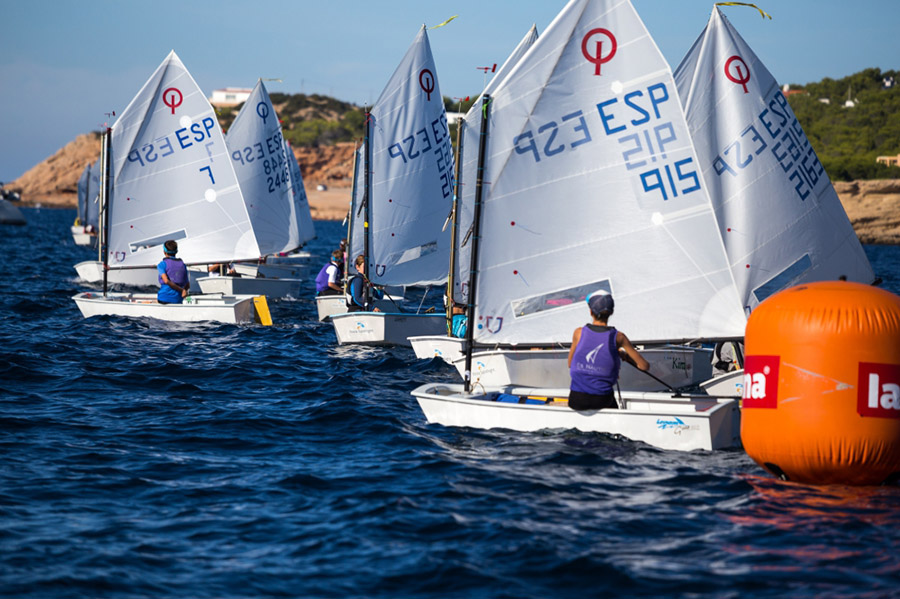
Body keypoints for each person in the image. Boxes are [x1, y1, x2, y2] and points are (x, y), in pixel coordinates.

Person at [567, 290, 649, 411]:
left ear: (590, 312)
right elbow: (644, 366)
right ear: (611, 312)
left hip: (576, 400)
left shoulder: (578, 333)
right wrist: (624, 356)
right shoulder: (619, 337)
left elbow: (570, 363)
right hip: (602, 400)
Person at [157, 240, 190, 304]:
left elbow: (166, 281)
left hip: (164, 298)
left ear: (164, 252)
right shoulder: (182, 264)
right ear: (176, 251)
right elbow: (187, 284)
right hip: (178, 300)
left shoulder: (162, 264)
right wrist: (184, 291)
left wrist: (182, 290)